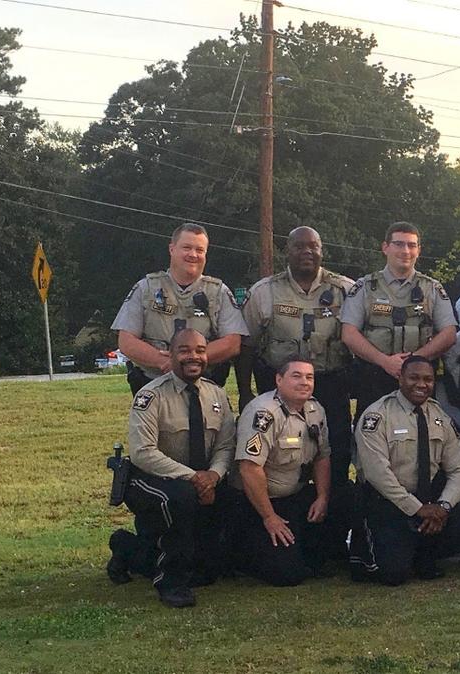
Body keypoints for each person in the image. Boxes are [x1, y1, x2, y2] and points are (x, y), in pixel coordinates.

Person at [105, 329, 235, 608]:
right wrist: (194, 478)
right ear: (171, 355)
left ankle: (127, 549)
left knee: (206, 572)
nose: (194, 356)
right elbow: (143, 453)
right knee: (181, 498)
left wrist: (213, 476)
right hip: (152, 480)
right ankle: (171, 582)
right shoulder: (150, 395)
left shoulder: (217, 396)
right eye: (185, 350)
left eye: (200, 350)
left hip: (202, 480)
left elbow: (226, 447)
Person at [351, 356, 460, 584]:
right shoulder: (377, 415)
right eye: (414, 378)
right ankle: (365, 550)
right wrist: (417, 508)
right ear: (400, 378)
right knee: (393, 575)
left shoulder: (439, 416)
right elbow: (378, 475)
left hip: (430, 502)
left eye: (428, 379)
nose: (422, 384)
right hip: (388, 502)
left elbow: (459, 469)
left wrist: (443, 507)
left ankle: (422, 553)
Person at [236, 226, 357, 483]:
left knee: (336, 454)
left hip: (330, 386)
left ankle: (330, 515)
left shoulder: (346, 290)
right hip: (278, 388)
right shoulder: (264, 292)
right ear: (286, 251)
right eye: (299, 246)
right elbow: (246, 346)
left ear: (322, 251)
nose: (307, 252)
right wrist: (245, 391)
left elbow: (359, 340)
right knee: (280, 456)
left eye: (313, 246)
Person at [340, 222, 457, 431]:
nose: (405, 251)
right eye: (399, 244)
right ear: (385, 247)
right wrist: (385, 362)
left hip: (418, 382)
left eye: (412, 245)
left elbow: (449, 334)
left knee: (421, 438)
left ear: (419, 250)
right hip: (374, 378)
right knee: (370, 435)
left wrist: (414, 362)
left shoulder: (432, 288)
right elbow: (349, 334)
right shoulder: (365, 287)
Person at [111, 222, 248, 396]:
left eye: (200, 250)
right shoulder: (146, 288)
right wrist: (165, 361)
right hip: (153, 387)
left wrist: (187, 361)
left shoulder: (218, 292)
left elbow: (233, 343)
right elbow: (126, 341)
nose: (193, 255)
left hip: (204, 389)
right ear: (172, 249)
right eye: (186, 247)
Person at [229, 359, 333, 586]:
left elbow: (322, 456)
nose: (304, 382)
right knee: (287, 575)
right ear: (279, 379)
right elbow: (249, 468)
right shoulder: (263, 413)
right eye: (296, 376)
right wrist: (269, 517)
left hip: (295, 496)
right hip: (259, 504)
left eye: (309, 377)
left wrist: (322, 497)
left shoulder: (315, 409)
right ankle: (239, 554)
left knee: (322, 559)